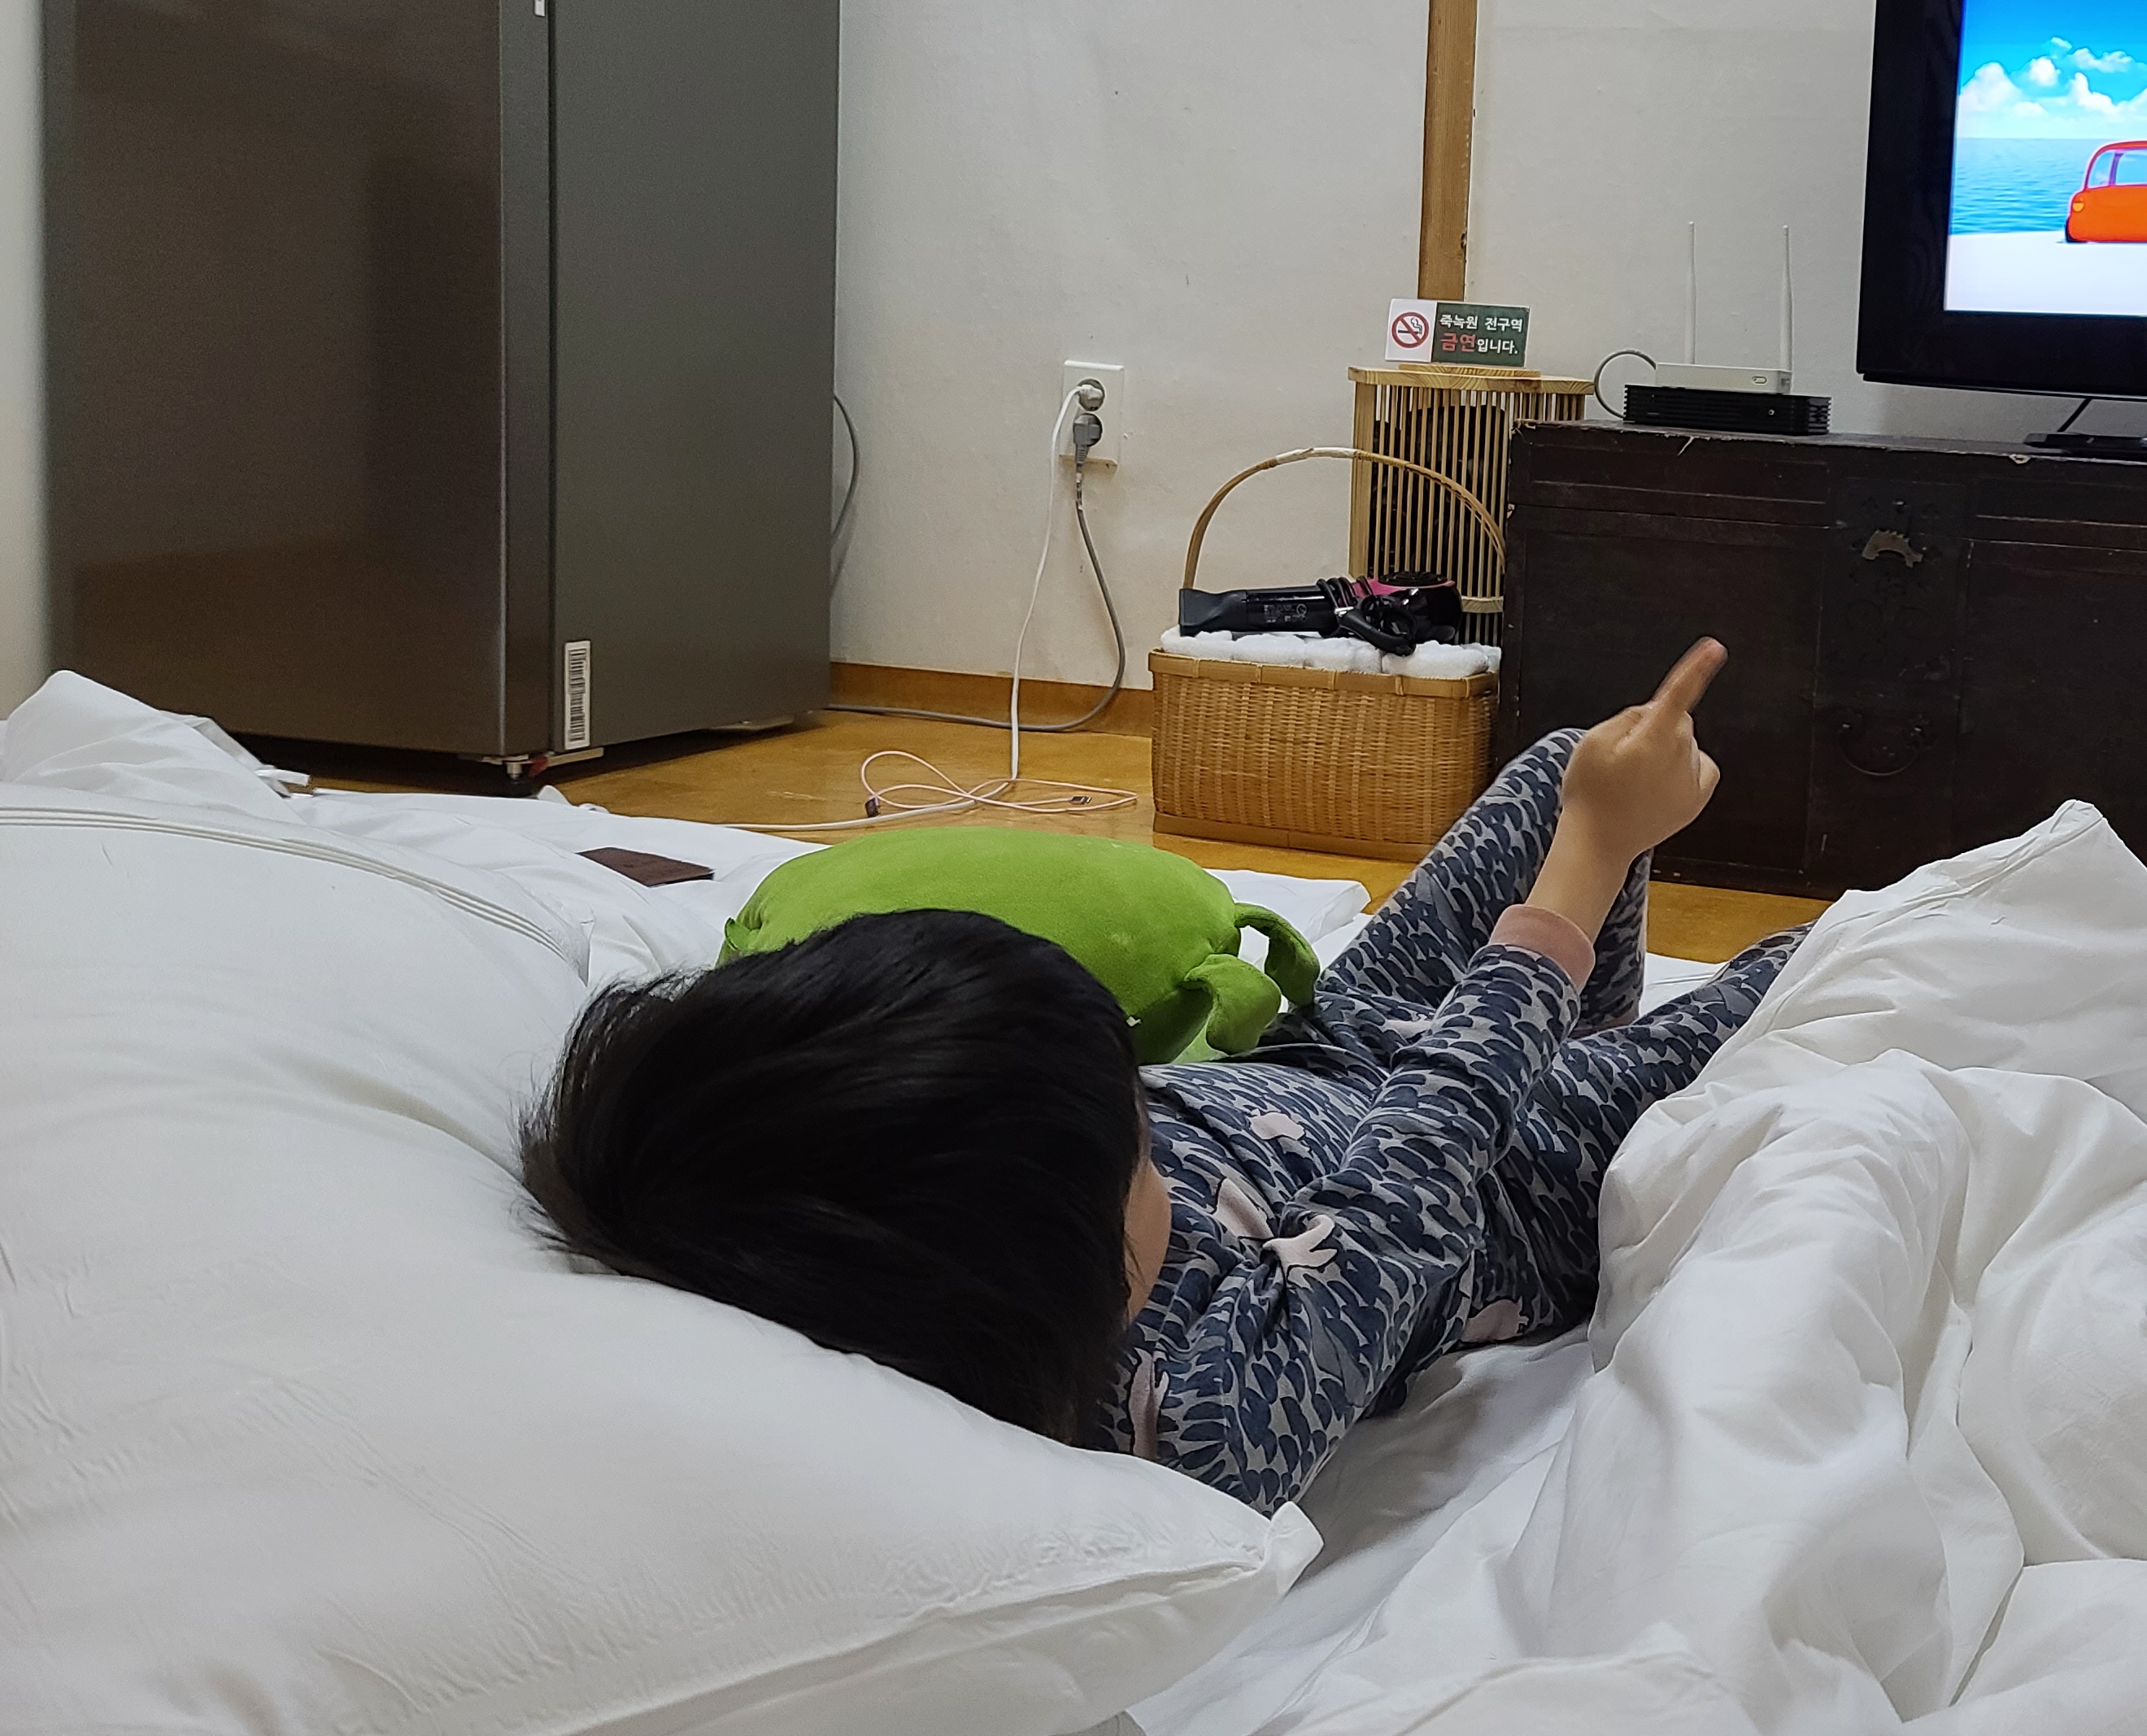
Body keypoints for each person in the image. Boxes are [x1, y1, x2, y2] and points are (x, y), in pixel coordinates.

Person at [520, 639, 1796, 1514]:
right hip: (1510, 1174)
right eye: (1138, 1149)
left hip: (1338, 1049)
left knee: (1571, 767)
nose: (1153, 1117)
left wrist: (1579, 844)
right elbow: (1423, 1172)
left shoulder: (917, 1184)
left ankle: (1569, 1003)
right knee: (1808, 965)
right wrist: (1583, 874)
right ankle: (1579, 1026)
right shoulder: (1202, 1416)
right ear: (1055, 1281)